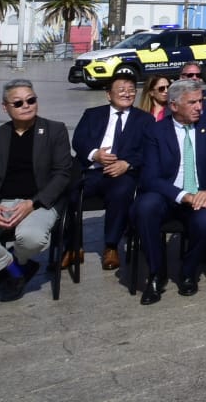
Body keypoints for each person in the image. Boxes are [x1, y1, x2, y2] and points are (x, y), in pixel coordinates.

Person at [0, 80, 75, 299]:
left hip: (39, 202)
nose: (26, 106)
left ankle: (15, 266)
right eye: (18, 103)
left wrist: (32, 204)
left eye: (31, 100)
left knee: (32, 238)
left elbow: (62, 174)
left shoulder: (55, 130)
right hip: (0, 202)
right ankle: (15, 269)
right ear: (5, 107)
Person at [132, 78, 206, 304]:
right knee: (144, 207)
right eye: (192, 102)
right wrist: (184, 196)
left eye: (200, 101)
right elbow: (150, 177)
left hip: (202, 195)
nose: (199, 106)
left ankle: (189, 271)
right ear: (173, 105)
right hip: (168, 195)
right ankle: (156, 273)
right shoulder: (155, 131)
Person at [68, 69, 152, 271]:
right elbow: (78, 140)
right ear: (108, 94)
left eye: (131, 90)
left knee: (122, 192)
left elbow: (148, 150)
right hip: (91, 170)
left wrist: (127, 164)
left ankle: (111, 246)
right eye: (121, 89)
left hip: (121, 174)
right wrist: (95, 154)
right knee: (67, 193)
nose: (127, 94)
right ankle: (71, 246)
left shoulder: (144, 120)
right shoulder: (92, 114)